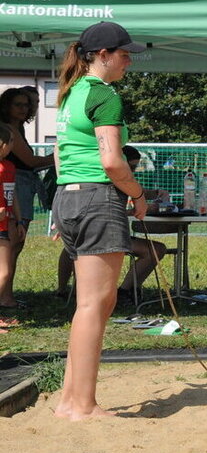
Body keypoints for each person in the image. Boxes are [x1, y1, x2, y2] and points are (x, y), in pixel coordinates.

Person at [51, 21, 148, 421]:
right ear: (103, 55)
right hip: (98, 197)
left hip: (68, 196)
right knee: (96, 304)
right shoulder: (104, 95)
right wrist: (137, 194)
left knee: (87, 305)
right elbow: (112, 161)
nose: (129, 61)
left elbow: (60, 154)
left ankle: (69, 401)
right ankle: (84, 406)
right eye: (124, 54)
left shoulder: (71, 92)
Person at [56, 146, 168, 306]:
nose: (133, 172)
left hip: (99, 232)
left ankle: (65, 291)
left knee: (72, 247)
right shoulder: (112, 181)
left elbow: (138, 191)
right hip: (106, 236)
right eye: (131, 167)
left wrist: (155, 193)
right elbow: (114, 209)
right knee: (155, 250)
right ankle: (122, 292)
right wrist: (140, 207)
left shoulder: (108, 179)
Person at [0, 87, 53, 305]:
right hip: (17, 185)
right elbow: (30, 161)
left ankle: (7, 295)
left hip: (21, 185)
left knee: (15, 245)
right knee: (12, 245)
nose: (26, 108)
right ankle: (5, 297)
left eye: (28, 104)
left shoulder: (17, 128)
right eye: (19, 104)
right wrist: (61, 156)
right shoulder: (8, 129)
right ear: (7, 106)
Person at [0, 125, 24, 315]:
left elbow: (12, 194)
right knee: (4, 272)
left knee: (5, 272)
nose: (13, 145)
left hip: (6, 225)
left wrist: (19, 220)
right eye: (12, 141)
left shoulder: (9, 166)